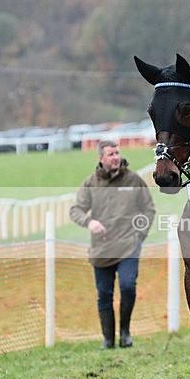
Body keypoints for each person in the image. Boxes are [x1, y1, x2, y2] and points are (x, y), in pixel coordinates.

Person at [69, 140, 155, 349]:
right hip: (102, 248)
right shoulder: (91, 183)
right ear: (101, 158)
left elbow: (148, 209)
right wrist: (89, 222)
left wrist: (140, 236)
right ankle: (108, 339)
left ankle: (125, 332)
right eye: (111, 154)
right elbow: (75, 210)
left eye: (117, 153)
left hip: (129, 245)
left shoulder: (133, 179)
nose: (116, 157)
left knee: (127, 286)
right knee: (104, 294)